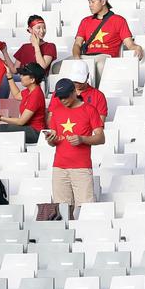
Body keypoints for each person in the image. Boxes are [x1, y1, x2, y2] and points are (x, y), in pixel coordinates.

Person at [44, 78, 104, 218]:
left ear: (73, 92)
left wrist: (82, 139)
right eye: (60, 97)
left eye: (65, 96)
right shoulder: (57, 111)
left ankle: (86, 237)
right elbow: (54, 140)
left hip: (81, 167)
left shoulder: (89, 110)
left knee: (86, 209)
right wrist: (50, 140)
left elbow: (101, 138)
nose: (62, 99)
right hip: (59, 166)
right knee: (62, 209)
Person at [72, 0, 145, 61]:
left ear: (103, 2)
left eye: (93, 2)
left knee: (98, 64)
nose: (90, 5)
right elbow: (77, 44)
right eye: (89, 2)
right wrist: (77, 58)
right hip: (86, 57)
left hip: (107, 59)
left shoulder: (119, 20)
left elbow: (130, 44)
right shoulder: (85, 21)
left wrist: (137, 47)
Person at [0, 63, 47, 144]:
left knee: (0, 129)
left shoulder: (36, 95)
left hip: (35, 132)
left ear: (32, 80)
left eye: (24, 75)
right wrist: (9, 76)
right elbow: (17, 95)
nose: (21, 77)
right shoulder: (30, 90)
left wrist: (0, 117)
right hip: (27, 128)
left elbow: (21, 121)